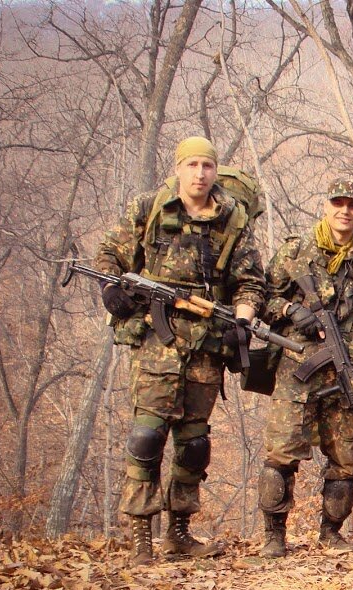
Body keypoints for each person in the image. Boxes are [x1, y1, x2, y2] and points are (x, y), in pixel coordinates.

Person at [94, 136, 266, 565]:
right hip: (156, 340)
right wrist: (110, 288)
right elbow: (109, 254)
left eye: (207, 165)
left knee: (193, 442)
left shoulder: (232, 220)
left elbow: (250, 281)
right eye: (192, 164)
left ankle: (178, 532)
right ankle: (140, 536)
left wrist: (241, 319)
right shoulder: (149, 207)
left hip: (205, 345)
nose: (200, 173)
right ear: (178, 168)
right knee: (147, 435)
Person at [258, 178, 353, 556]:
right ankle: (274, 535)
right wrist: (291, 311)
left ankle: (331, 532)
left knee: (346, 459)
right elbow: (261, 298)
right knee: (281, 453)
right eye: (338, 203)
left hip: (350, 373)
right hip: (298, 369)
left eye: (352, 205)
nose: (344, 210)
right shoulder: (295, 251)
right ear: (326, 206)